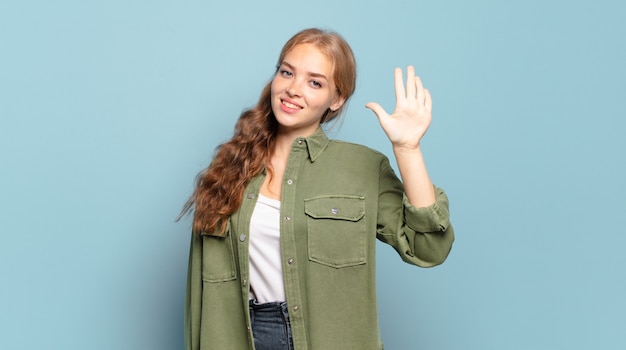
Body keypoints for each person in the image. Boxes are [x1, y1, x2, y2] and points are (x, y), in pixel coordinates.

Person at [180, 27, 454, 350]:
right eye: (286, 72)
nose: (293, 89)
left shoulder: (363, 168)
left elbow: (428, 248)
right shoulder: (229, 168)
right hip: (244, 336)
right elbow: (199, 294)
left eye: (315, 82)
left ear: (336, 99)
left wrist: (408, 149)